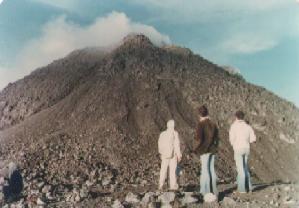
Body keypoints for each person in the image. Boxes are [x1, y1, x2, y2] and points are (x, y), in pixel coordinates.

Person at [193, 105, 219, 197]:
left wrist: (195, 149)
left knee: (205, 170)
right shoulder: (213, 124)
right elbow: (217, 138)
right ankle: (214, 191)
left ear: (199, 114)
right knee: (211, 170)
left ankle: (205, 192)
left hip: (204, 149)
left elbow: (198, 138)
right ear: (207, 112)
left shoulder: (201, 124)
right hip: (213, 149)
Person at [229, 110, 256, 193]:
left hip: (238, 148)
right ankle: (249, 187)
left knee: (240, 169)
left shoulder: (233, 126)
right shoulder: (248, 127)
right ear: (243, 117)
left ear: (236, 117)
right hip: (246, 148)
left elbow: (231, 139)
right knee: (245, 168)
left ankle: (242, 189)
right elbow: (253, 139)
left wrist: (233, 144)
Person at [158, 120, 182, 190]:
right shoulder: (175, 133)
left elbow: (159, 144)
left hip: (164, 155)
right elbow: (177, 145)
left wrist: (161, 153)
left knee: (163, 170)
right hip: (173, 155)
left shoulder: (162, 134)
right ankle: (173, 186)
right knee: (172, 171)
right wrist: (179, 155)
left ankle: (160, 185)